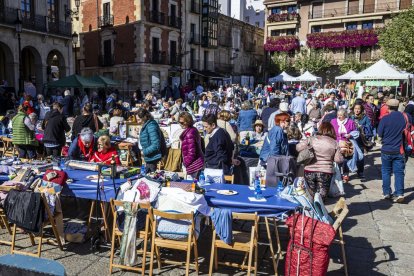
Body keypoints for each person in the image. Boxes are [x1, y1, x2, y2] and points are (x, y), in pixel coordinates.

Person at [296, 122, 343, 200]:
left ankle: (311, 210)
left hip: (309, 170)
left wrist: (308, 146)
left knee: (310, 195)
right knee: (321, 198)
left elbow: (298, 147)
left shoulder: (311, 139)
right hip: (325, 172)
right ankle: (320, 210)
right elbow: (338, 160)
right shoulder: (334, 143)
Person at [378, 99, 411, 203]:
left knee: (386, 171)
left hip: (386, 149)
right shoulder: (405, 117)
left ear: (387, 107)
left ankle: (387, 192)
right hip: (399, 149)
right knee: (399, 172)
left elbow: (379, 133)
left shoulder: (385, 119)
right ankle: (400, 193)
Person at [137, 108, 166, 173]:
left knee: (151, 176)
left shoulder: (151, 126)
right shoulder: (148, 125)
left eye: (139, 119)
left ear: (144, 117)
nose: (138, 121)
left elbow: (156, 145)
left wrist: (144, 152)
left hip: (153, 157)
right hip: (150, 157)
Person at [350, 103, 373, 179]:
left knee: (360, 156)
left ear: (362, 110)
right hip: (351, 139)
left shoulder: (365, 118)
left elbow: (369, 127)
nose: (357, 110)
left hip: (360, 139)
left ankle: (360, 172)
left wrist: (361, 127)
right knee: (350, 155)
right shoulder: (350, 117)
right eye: (355, 108)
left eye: (358, 108)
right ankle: (350, 169)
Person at [178, 112, 204, 178]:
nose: (181, 124)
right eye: (180, 122)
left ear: (188, 121)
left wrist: (185, 163)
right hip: (196, 163)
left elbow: (191, 153)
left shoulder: (189, 134)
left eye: (182, 122)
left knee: (191, 185)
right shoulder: (193, 130)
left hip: (194, 165)